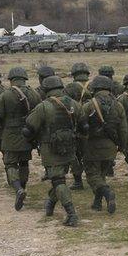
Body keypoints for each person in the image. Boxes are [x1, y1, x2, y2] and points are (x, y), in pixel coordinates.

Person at [24, 75, 87, 226]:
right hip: (70, 148)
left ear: (46, 90)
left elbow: (28, 130)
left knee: (58, 181)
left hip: (50, 150)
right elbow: (84, 127)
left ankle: (71, 214)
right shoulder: (74, 104)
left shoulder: (43, 107)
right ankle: (50, 204)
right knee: (58, 180)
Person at [0, 66, 42, 210]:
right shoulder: (34, 94)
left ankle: (18, 189)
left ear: (11, 80)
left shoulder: (5, 95)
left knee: (10, 164)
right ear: (25, 79)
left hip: (10, 135)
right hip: (28, 136)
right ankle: (22, 187)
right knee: (24, 163)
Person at [82, 75, 128, 213]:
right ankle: (97, 203)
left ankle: (108, 193)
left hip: (92, 147)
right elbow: (123, 129)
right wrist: (122, 145)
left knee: (92, 176)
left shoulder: (89, 105)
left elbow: (81, 126)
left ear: (94, 88)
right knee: (101, 175)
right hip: (110, 147)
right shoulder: (118, 105)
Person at [64, 63, 93, 189]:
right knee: (90, 152)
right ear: (87, 74)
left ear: (74, 74)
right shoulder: (94, 86)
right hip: (92, 125)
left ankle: (78, 181)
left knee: (75, 154)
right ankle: (94, 179)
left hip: (76, 125)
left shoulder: (70, 88)